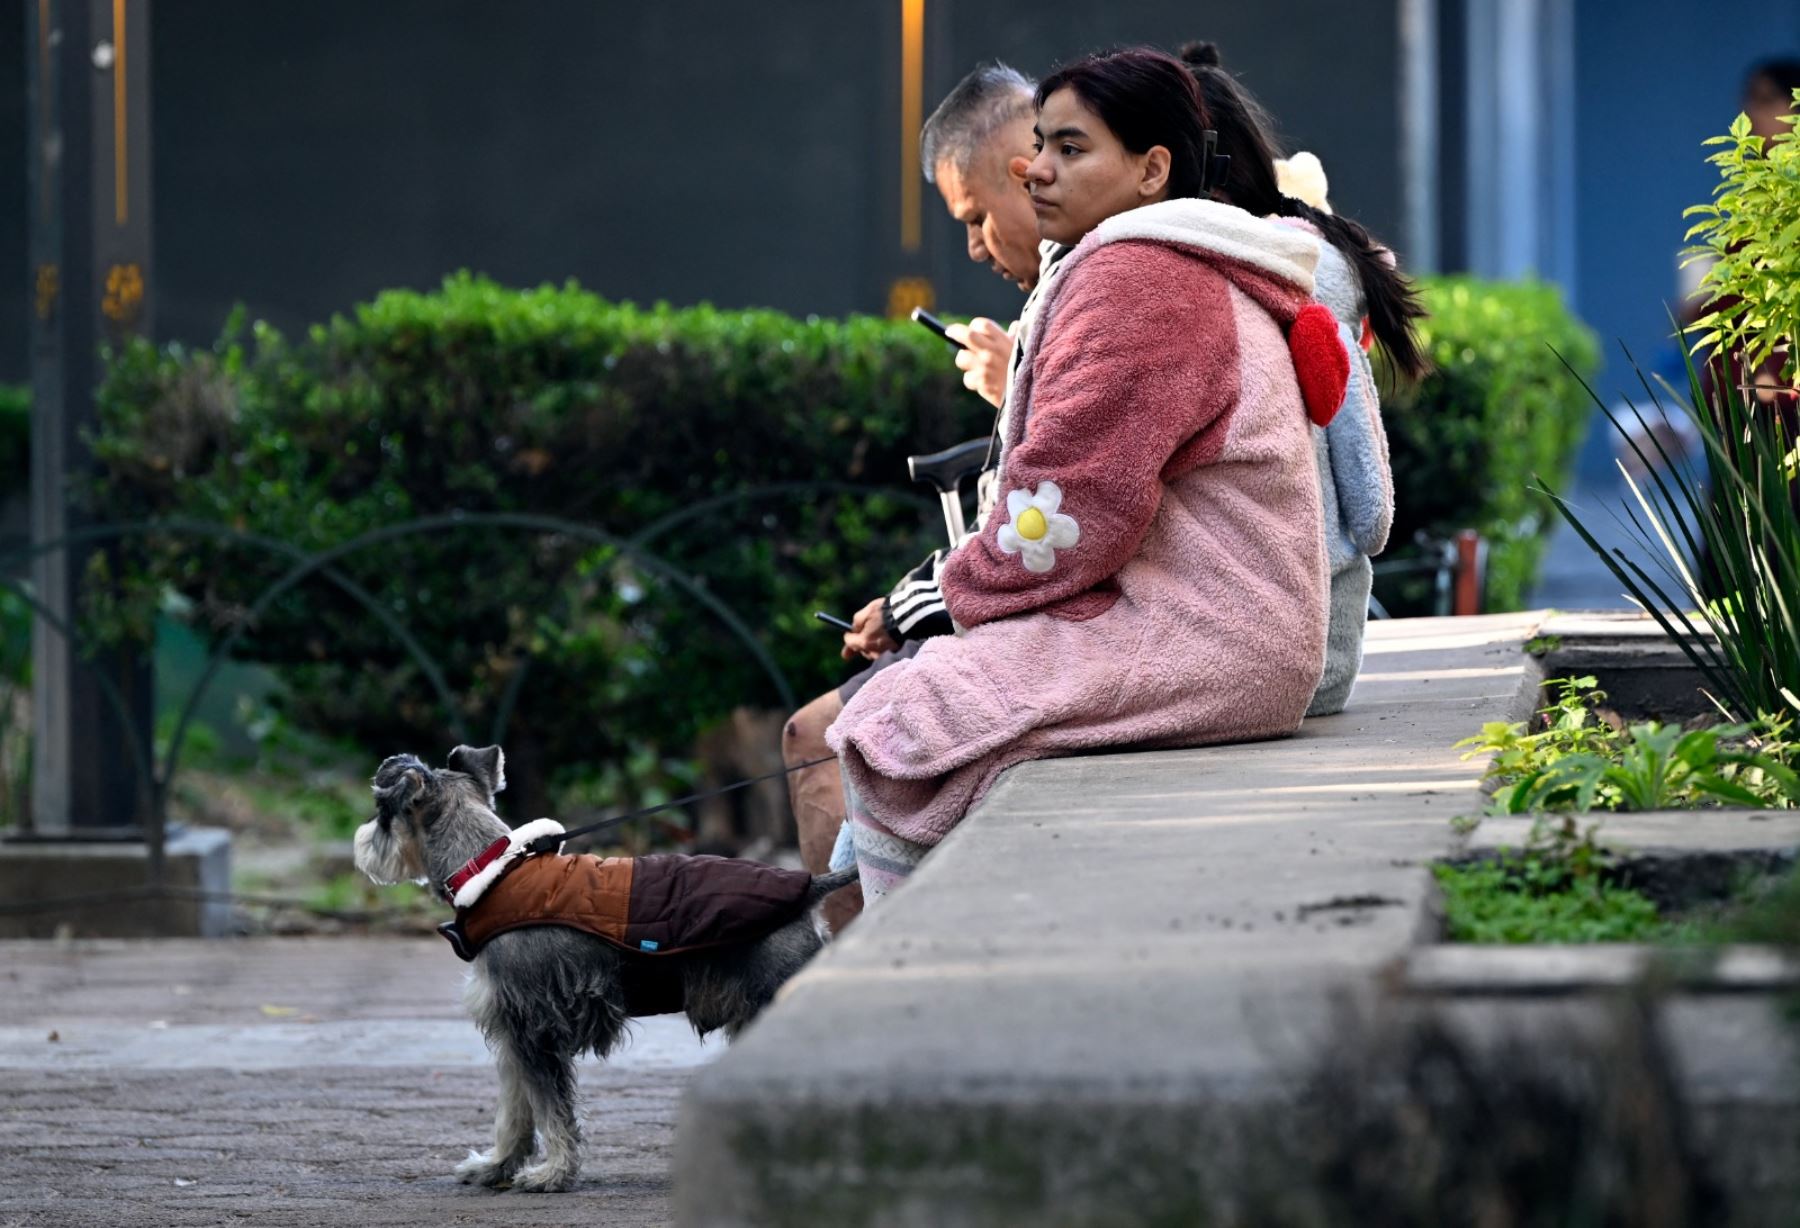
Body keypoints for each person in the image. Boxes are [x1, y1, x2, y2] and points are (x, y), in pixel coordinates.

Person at [824, 47, 1343, 903]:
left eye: (1071, 149)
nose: (1039, 171)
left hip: (1207, 636)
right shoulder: (1179, 258)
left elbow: (1066, 518)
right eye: (1040, 146)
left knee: (894, 722)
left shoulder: (1140, 279)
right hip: (1230, 628)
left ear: (1151, 170)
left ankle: (906, 989)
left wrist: (945, 601)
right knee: (925, 711)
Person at [784, 62, 1046, 930]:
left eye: (974, 220)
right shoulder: (1084, 282)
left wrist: (913, 606)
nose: (972, 247)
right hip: (1052, 622)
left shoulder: (1103, 276)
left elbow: (1061, 520)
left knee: (828, 741)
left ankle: (860, 1002)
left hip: (1064, 640)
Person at [1175, 42, 1428, 714]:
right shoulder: (1309, 276)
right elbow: (1368, 512)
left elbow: (1368, 501)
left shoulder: (1287, 291)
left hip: (1256, 649)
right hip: (1310, 646)